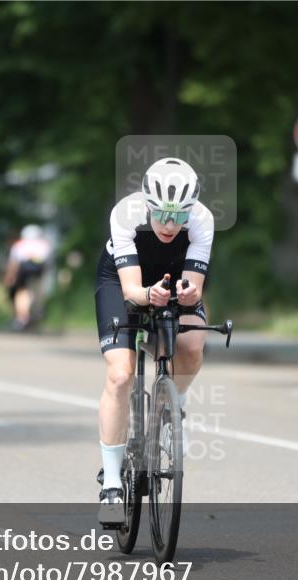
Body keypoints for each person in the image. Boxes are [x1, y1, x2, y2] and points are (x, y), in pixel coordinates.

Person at [94, 157, 214, 513]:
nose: (169, 224)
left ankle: (172, 403)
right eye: (161, 214)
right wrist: (149, 296)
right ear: (147, 204)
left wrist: (190, 295)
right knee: (120, 375)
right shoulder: (125, 213)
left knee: (191, 345)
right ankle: (113, 484)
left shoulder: (202, 220)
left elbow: (194, 287)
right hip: (121, 281)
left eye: (179, 216)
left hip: (171, 278)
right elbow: (132, 290)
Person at [2, 225, 52, 330]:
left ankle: (22, 318)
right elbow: (47, 263)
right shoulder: (44, 245)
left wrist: (9, 277)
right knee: (36, 293)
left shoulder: (19, 245)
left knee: (21, 291)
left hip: (23, 269)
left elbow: (13, 263)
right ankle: (36, 314)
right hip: (38, 270)